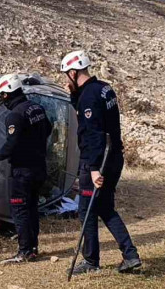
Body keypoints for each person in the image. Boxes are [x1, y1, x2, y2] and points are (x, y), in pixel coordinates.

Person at [61, 50, 142, 276]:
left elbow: (93, 134)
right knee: (105, 207)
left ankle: (91, 261)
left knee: (86, 209)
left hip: (97, 161)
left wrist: (94, 169)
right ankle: (130, 255)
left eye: (67, 75)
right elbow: (93, 114)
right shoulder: (104, 89)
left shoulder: (88, 96)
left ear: (73, 72)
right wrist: (74, 96)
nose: (66, 79)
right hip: (114, 157)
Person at [0, 74, 53, 263]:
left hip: (23, 171)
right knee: (32, 208)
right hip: (39, 168)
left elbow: (12, 144)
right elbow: (48, 129)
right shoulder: (37, 108)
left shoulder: (15, 115)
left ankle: (25, 251)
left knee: (19, 209)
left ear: (6, 94)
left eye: (2, 94)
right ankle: (33, 247)